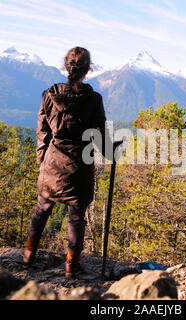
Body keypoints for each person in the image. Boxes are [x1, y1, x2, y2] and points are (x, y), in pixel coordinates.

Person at [22, 47, 113, 279]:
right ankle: (72, 265)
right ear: (87, 70)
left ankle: (28, 254)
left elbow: (42, 131)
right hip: (79, 166)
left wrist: (42, 158)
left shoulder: (49, 95)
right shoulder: (93, 100)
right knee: (76, 216)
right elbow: (100, 135)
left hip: (52, 161)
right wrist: (110, 151)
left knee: (42, 208)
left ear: (66, 67)